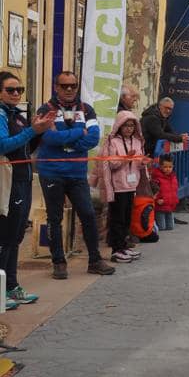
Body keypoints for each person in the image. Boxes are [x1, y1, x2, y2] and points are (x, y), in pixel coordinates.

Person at [35, 70, 115, 279]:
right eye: (64, 86)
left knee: (88, 215)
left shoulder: (86, 110)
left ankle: (95, 260)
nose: (69, 89)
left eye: (73, 85)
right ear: (56, 87)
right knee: (54, 217)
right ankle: (59, 262)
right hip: (51, 172)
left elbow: (94, 139)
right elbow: (49, 138)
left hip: (77, 173)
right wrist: (79, 133)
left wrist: (64, 137)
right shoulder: (46, 109)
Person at [0, 72, 56, 307]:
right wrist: (33, 131)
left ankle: (11, 286)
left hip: (23, 180)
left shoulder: (18, 115)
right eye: (10, 90)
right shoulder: (1, 115)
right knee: (5, 236)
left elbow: (26, 146)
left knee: (16, 236)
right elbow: (3, 145)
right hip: (8, 181)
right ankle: (2, 289)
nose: (16, 94)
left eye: (19, 90)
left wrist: (39, 131)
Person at [93, 111, 146, 263]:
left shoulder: (137, 141)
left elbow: (139, 162)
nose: (129, 128)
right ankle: (116, 250)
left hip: (131, 185)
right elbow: (111, 164)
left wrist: (142, 163)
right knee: (117, 218)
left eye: (132, 126)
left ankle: (124, 246)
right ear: (119, 126)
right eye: (126, 125)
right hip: (118, 186)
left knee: (127, 217)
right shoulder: (113, 142)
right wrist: (125, 159)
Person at [152, 154, 180, 231]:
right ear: (160, 166)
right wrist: (157, 199)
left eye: (170, 167)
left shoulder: (173, 177)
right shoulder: (156, 178)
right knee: (162, 227)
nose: (168, 169)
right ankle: (153, 224)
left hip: (170, 205)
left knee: (170, 227)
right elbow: (153, 190)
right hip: (160, 206)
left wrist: (175, 200)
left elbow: (174, 190)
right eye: (165, 167)